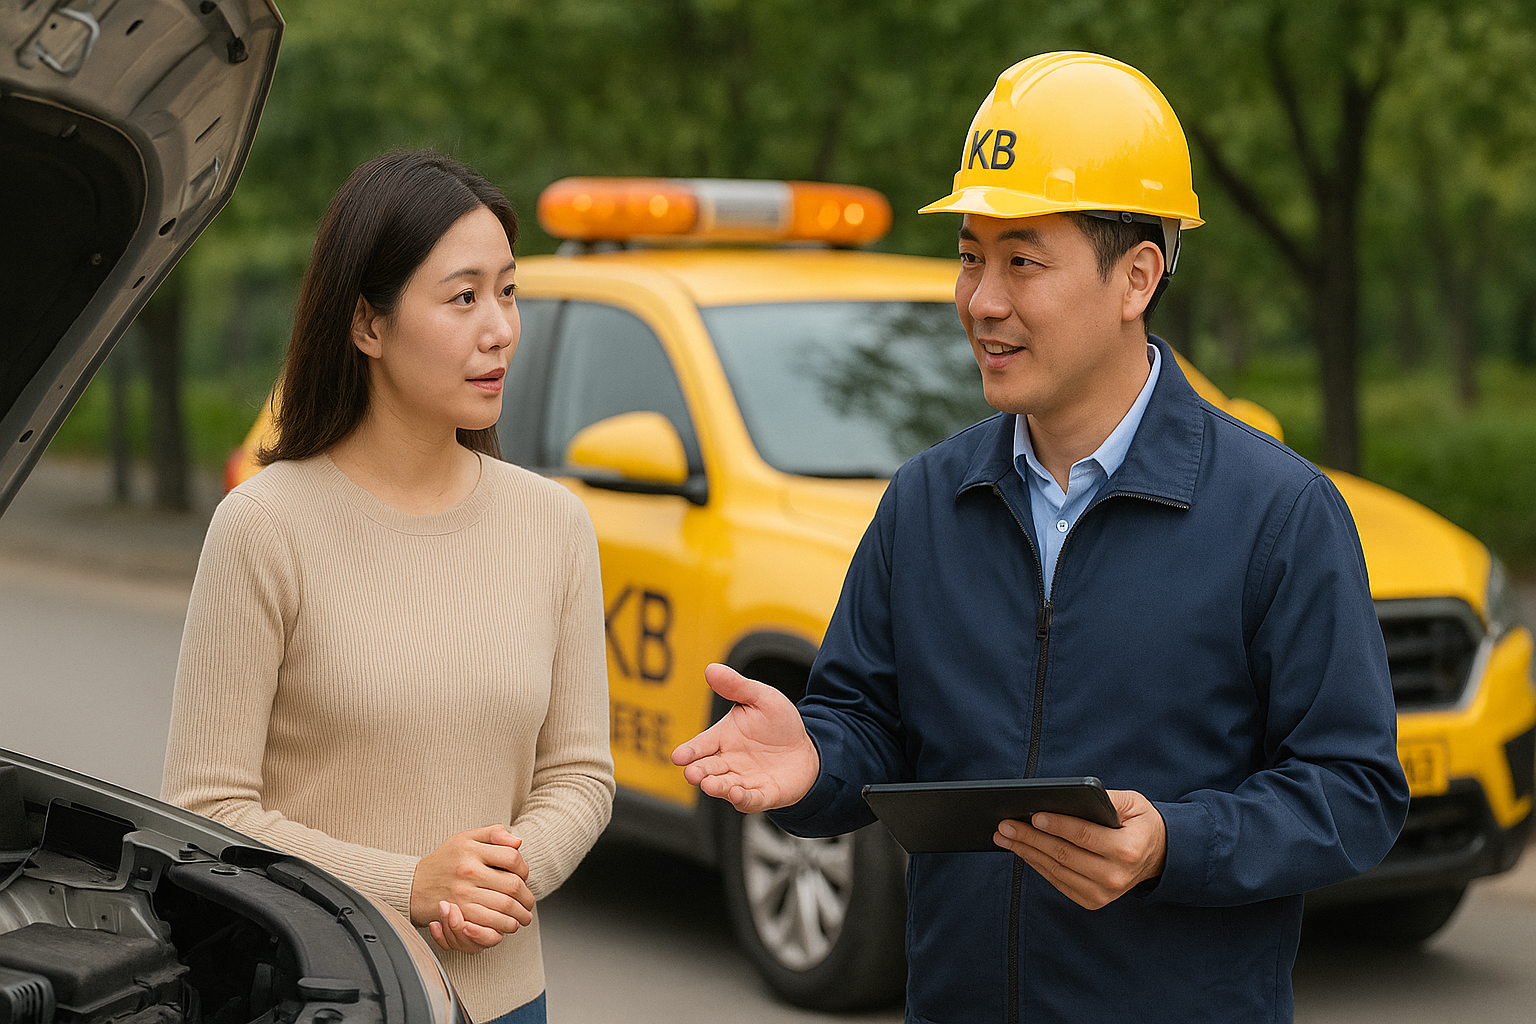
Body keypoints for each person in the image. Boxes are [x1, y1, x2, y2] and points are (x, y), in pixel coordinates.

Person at [672, 52, 1408, 1022]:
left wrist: (1171, 842)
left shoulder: (1278, 514)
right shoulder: (925, 501)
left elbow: (1354, 789)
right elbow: (869, 725)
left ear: (1136, 277)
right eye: (971, 256)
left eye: (1022, 260)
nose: (982, 300)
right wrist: (815, 758)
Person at [163, 150, 614, 1024]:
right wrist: (408, 884)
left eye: (508, 291)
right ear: (367, 325)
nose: (500, 329)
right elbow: (205, 807)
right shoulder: (264, 526)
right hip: (324, 998)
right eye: (463, 298)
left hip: (507, 1001)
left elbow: (579, 774)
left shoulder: (553, 523)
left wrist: (499, 877)